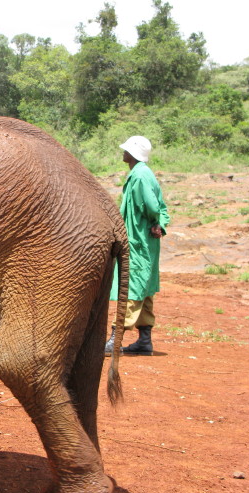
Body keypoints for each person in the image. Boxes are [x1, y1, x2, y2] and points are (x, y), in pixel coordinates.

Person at [105, 136, 170, 356]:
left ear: (133, 154)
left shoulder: (140, 176)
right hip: (144, 240)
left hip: (139, 240)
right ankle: (144, 341)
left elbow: (152, 206)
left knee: (132, 285)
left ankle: (115, 340)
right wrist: (159, 224)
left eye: (126, 150)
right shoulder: (143, 173)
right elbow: (159, 206)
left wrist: (154, 221)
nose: (123, 153)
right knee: (145, 286)